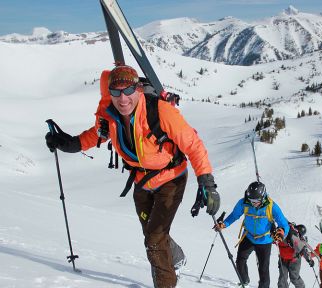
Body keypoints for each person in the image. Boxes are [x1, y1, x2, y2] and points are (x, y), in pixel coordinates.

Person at [45, 64, 220, 288]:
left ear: (138, 90)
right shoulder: (110, 116)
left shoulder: (160, 111)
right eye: (116, 92)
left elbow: (193, 145)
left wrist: (207, 182)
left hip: (171, 179)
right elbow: (94, 136)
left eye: (128, 91)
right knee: (151, 232)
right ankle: (176, 257)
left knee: (154, 241)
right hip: (141, 182)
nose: (123, 98)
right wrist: (69, 144)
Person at [214, 181, 289, 288]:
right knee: (240, 261)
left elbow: (283, 223)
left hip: (264, 240)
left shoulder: (271, 206)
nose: (253, 203)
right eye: (251, 200)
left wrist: (281, 232)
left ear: (263, 197)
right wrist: (224, 224)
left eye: (256, 201)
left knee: (263, 269)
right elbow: (234, 215)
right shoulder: (244, 203)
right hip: (248, 237)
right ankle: (244, 281)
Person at [277, 223, 314, 288]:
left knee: (294, 278)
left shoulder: (293, 237)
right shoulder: (278, 234)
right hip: (283, 260)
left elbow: (302, 250)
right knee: (282, 279)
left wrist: (309, 260)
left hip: (294, 260)